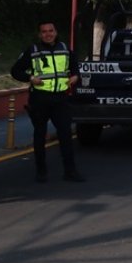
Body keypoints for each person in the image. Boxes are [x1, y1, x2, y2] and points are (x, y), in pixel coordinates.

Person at [11, 19, 85, 183]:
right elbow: (15, 71)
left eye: (50, 31)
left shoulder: (65, 49)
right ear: (40, 34)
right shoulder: (33, 50)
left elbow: (75, 68)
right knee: (39, 135)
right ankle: (41, 171)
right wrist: (30, 78)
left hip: (61, 98)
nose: (48, 34)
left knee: (65, 134)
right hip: (40, 98)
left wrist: (75, 76)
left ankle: (70, 171)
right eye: (44, 31)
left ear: (56, 32)